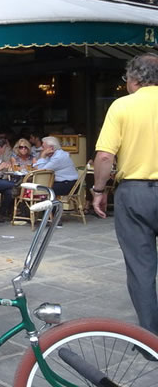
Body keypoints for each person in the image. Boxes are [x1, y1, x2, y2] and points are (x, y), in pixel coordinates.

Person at [93, 53, 158, 338]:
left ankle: (150, 339)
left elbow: (106, 155)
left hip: (135, 192)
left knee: (140, 267)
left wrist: (98, 190)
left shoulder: (122, 106)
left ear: (133, 79)